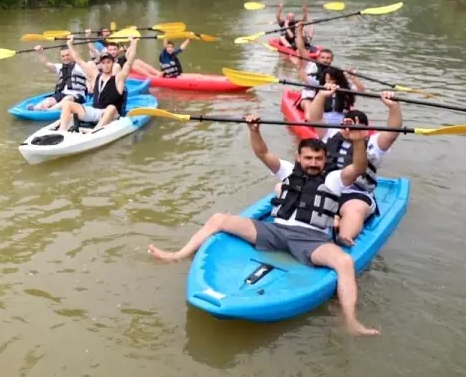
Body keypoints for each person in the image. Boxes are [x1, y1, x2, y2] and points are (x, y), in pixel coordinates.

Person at [147, 115, 378, 336]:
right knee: (219, 219)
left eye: (318, 159)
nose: (313, 163)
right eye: (308, 158)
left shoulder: (333, 179)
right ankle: (178, 255)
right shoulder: (287, 171)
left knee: (344, 262)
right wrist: (254, 130)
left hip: (311, 240)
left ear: (325, 159)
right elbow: (262, 152)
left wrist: (358, 141)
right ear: (299, 157)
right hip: (274, 231)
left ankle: (350, 321)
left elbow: (357, 167)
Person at [307, 90, 403, 247]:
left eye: (355, 126)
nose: (349, 130)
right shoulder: (329, 134)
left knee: (354, 210)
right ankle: (332, 219)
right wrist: (321, 96)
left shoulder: (374, 143)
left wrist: (394, 107)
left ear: (365, 128)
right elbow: (315, 118)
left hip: (356, 193)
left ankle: (344, 236)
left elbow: (393, 131)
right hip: (325, 188)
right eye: (346, 125)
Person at [54, 35, 138, 131]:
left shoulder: (118, 79)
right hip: (94, 111)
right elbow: (79, 61)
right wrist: (70, 45)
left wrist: (133, 44)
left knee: (111, 108)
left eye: (108, 62)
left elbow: (129, 63)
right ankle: (62, 131)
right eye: (103, 63)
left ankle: (95, 131)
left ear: (112, 63)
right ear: (101, 64)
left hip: (111, 114)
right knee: (67, 104)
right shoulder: (95, 77)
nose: (106, 65)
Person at [295, 22, 365, 108]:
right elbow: (301, 48)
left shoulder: (336, 72)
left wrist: (353, 78)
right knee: (308, 107)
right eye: (323, 58)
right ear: (318, 58)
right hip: (310, 96)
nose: (325, 60)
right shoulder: (310, 64)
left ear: (331, 60)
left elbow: (361, 90)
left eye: (328, 58)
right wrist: (299, 31)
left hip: (328, 98)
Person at [28, 44, 89, 111]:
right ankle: (35, 108)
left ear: (72, 54)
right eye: (63, 56)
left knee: (67, 99)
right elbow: (46, 64)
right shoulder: (60, 67)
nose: (65, 58)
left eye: (67, 55)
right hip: (62, 94)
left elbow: (90, 79)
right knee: (49, 100)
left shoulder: (81, 67)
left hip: (77, 95)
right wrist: (40, 53)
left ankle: (49, 111)